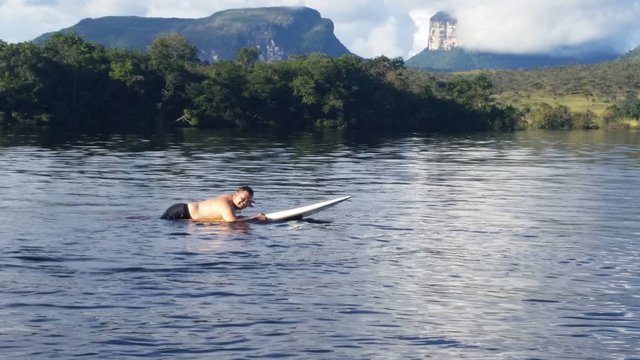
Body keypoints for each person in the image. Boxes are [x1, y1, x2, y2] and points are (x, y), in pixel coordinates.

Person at [161, 186, 267, 222]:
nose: (244, 203)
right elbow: (232, 222)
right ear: (235, 195)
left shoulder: (231, 198)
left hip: (182, 210)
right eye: (243, 199)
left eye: (248, 201)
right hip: (180, 212)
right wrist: (255, 218)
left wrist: (246, 202)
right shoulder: (225, 203)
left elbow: (237, 204)